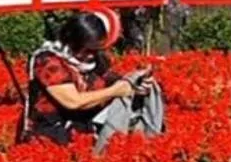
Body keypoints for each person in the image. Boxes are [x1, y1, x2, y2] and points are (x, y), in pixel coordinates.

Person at [26, 11, 165, 150]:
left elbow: (113, 80)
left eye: (97, 49)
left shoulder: (97, 61)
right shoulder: (47, 61)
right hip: (48, 139)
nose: (91, 56)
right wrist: (114, 91)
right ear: (72, 42)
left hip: (85, 135)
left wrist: (136, 85)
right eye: (87, 50)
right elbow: (73, 101)